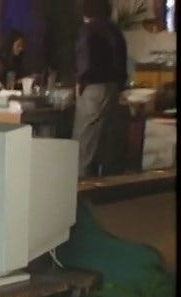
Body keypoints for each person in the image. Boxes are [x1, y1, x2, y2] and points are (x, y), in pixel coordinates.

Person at [72, 0, 128, 177]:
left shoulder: (89, 29)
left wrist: (80, 80)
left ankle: (81, 184)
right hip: (113, 88)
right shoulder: (115, 30)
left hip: (93, 88)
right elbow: (122, 61)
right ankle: (103, 183)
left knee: (85, 140)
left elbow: (86, 60)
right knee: (105, 142)